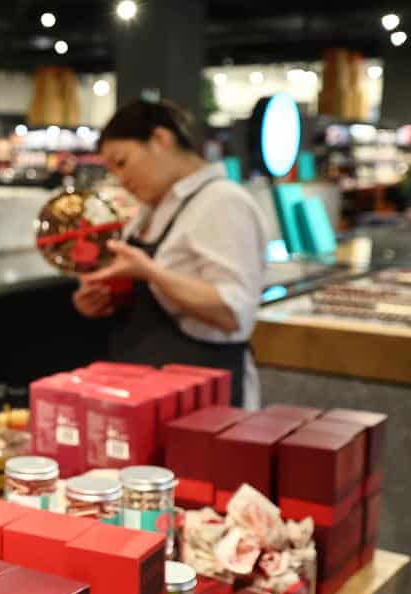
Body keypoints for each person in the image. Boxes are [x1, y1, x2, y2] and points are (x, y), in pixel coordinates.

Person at [73, 100, 269, 407]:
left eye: (122, 163)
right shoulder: (152, 209)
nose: (121, 180)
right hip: (146, 390)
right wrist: (105, 297)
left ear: (161, 140)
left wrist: (150, 272)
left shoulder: (222, 202)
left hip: (203, 400)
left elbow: (234, 314)